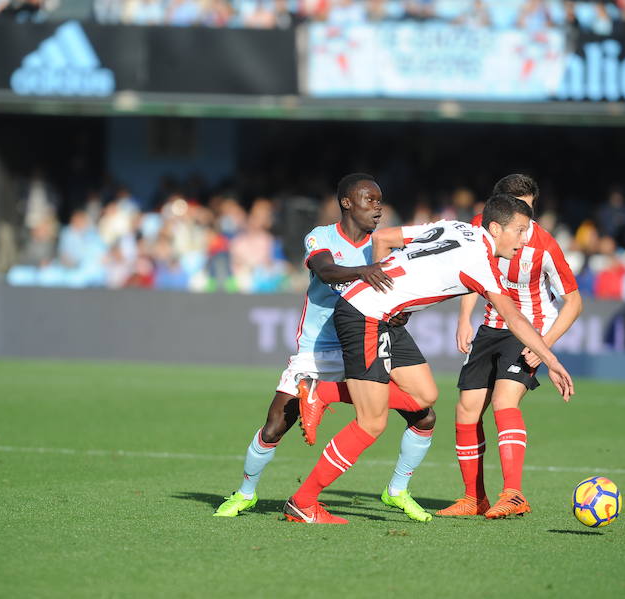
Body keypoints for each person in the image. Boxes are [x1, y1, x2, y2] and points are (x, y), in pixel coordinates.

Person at [284, 194, 575, 524]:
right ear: (495, 228)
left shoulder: (456, 227)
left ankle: (322, 392)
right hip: (364, 316)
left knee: (424, 395)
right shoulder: (480, 262)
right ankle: (303, 501)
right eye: (520, 231)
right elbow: (515, 318)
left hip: (382, 315)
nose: (525, 239)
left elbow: (385, 238)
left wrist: (391, 297)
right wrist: (551, 360)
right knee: (372, 422)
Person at [214, 174, 436, 522]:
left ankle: (397, 490)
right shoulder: (321, 236)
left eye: (380, 201)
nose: (377, 208)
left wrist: (400, 315)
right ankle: (245, 494)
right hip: (319, 348)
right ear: (347, 202)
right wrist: (366, 271)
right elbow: (326, 270)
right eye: (369, 200)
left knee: (424, 414)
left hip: (366, 342)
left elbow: (397, 295)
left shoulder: (386, 245)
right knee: (274, 426)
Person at [439, 174, 581, 519]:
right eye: (516, 212)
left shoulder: (544, 245)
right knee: (466, 410)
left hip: (529, 331)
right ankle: (474, 498)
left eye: (528, 211)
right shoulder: (480, 230)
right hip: (491, 326)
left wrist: (544, 346)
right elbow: (475, 273)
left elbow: (574, 302)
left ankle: (514, 494)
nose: (524, 221)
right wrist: (463, 318)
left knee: (504, 401)